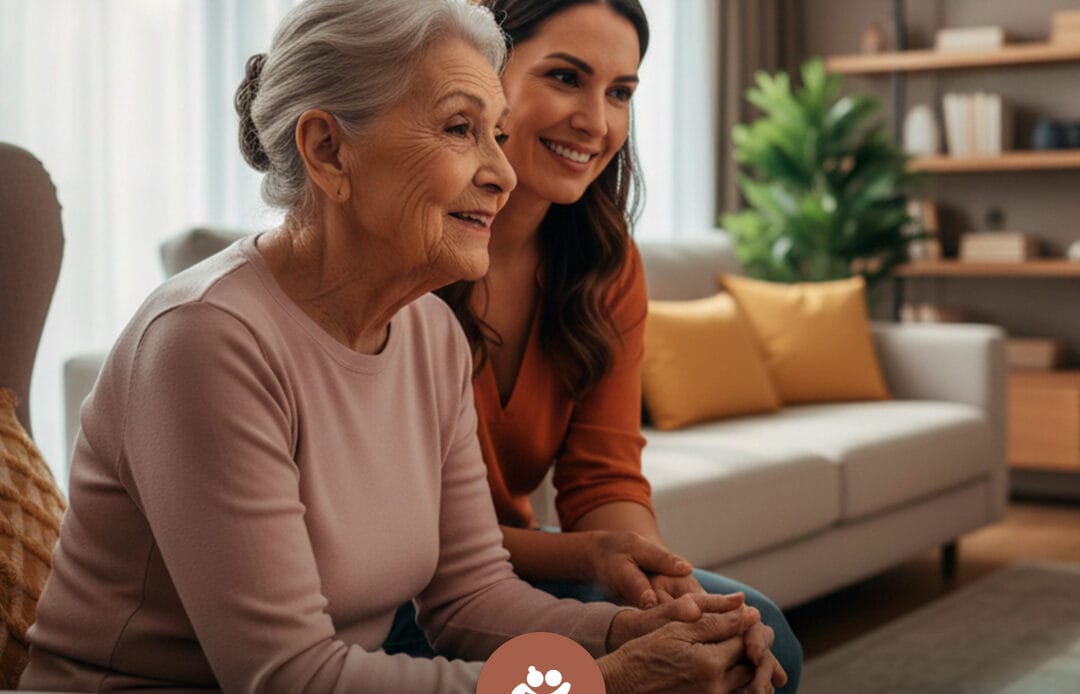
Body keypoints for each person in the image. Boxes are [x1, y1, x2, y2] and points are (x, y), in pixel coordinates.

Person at [20, 1, 777, 692]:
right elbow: (290, 677)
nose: (503, 173)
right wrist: (603, 682)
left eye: (495, 131)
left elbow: (469, 594)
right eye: (459, 129)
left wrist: (629, 631)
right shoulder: (203, 341)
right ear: (327, 150)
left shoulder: (428, 334)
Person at [435, 0, 804, 690]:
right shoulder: (413, 252)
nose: (597, 122)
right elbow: (412, 538)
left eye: (621, 92)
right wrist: (591, 556)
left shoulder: (604, 265)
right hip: (413, 587)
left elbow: (603, 477)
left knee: (758, 635)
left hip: (521, 563)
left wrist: (668, 593)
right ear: (481, 75)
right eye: (566, 78)